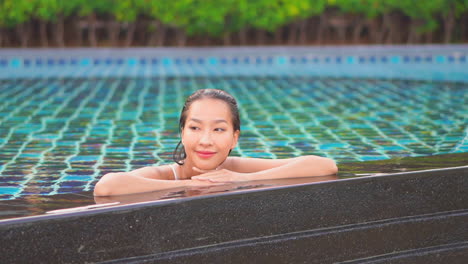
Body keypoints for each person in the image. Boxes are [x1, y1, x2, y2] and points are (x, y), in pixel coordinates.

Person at [94, 89, 338, 196]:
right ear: (182, 132)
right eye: (195, 127)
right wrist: (191, 185)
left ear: (235, 137)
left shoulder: (236, 168)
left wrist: (243, 179)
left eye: (219, 129)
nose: (205, 140)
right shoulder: (169, 174)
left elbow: (324, 166)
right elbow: (107, 187)